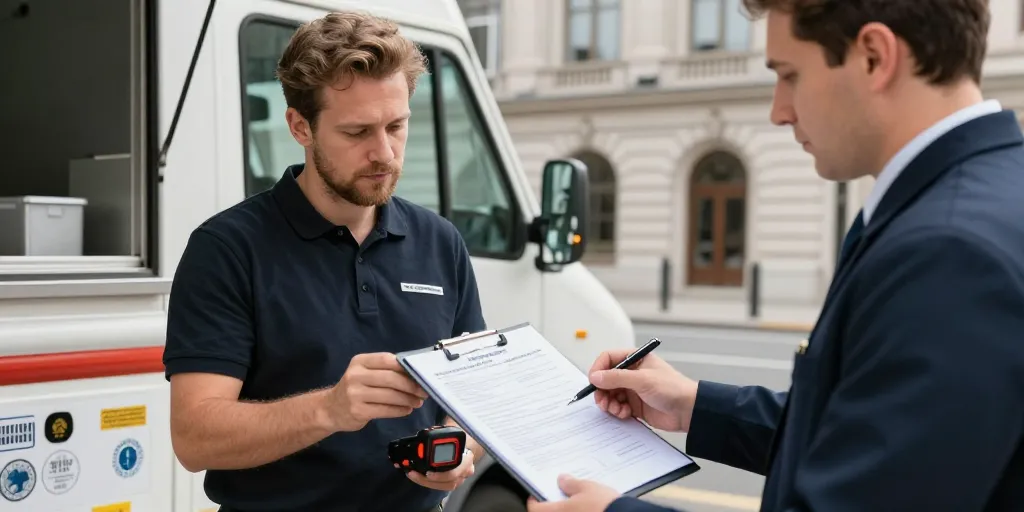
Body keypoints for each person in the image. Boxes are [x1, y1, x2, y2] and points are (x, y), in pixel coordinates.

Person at [528, 0, 1024, 511]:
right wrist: (694, 407)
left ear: (875, 57)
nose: (778, 111)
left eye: (789, 75)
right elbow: (872, 433)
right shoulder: (977, 199)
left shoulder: (949, 251)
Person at [163, 11, 484, 512]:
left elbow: (476, 397)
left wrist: (459, 446)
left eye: (396, 126)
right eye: (357, 132)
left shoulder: (441, 242)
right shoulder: (226, 249)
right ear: (300, 127)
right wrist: (330, 409)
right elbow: (194, 438)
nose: (385, 153)